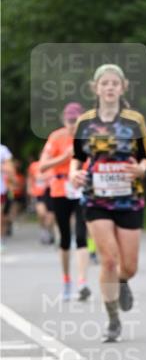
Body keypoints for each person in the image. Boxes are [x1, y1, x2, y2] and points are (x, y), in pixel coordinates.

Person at [69, 64, 146, 342]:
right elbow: (77, 158)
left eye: (114, 83)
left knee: (128, 266)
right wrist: (73, 174)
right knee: (108, 260)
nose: (110, 87)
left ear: (123, 87)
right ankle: (113, 319)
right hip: (96, 198)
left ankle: (124, 281)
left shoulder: (134, 120)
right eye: (104, 83)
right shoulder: (85, 122)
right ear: (96, 88)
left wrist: (142, 169)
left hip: (129, 197)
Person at [39, 102, 91, 301]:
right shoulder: (56, 137)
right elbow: (43, 166)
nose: (72, 125)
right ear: (64, 120)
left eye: (76, 121)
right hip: (60, 189)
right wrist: (63, 157)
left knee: (81, 235)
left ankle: (82, 283)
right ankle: (66, 281)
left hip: (81, 189)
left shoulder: (88, 137)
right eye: (69, 121)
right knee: (64, 238)